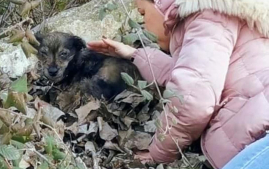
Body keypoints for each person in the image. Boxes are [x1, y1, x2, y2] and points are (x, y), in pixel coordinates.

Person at [87, 0, 269, 168]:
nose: (143, 25)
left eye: (142, 14)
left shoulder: (209, 17)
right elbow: (190, 76)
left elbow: (192, 99)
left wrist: (158, 153)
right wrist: (135, 55)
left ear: (160, 4)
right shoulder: (222, 15)